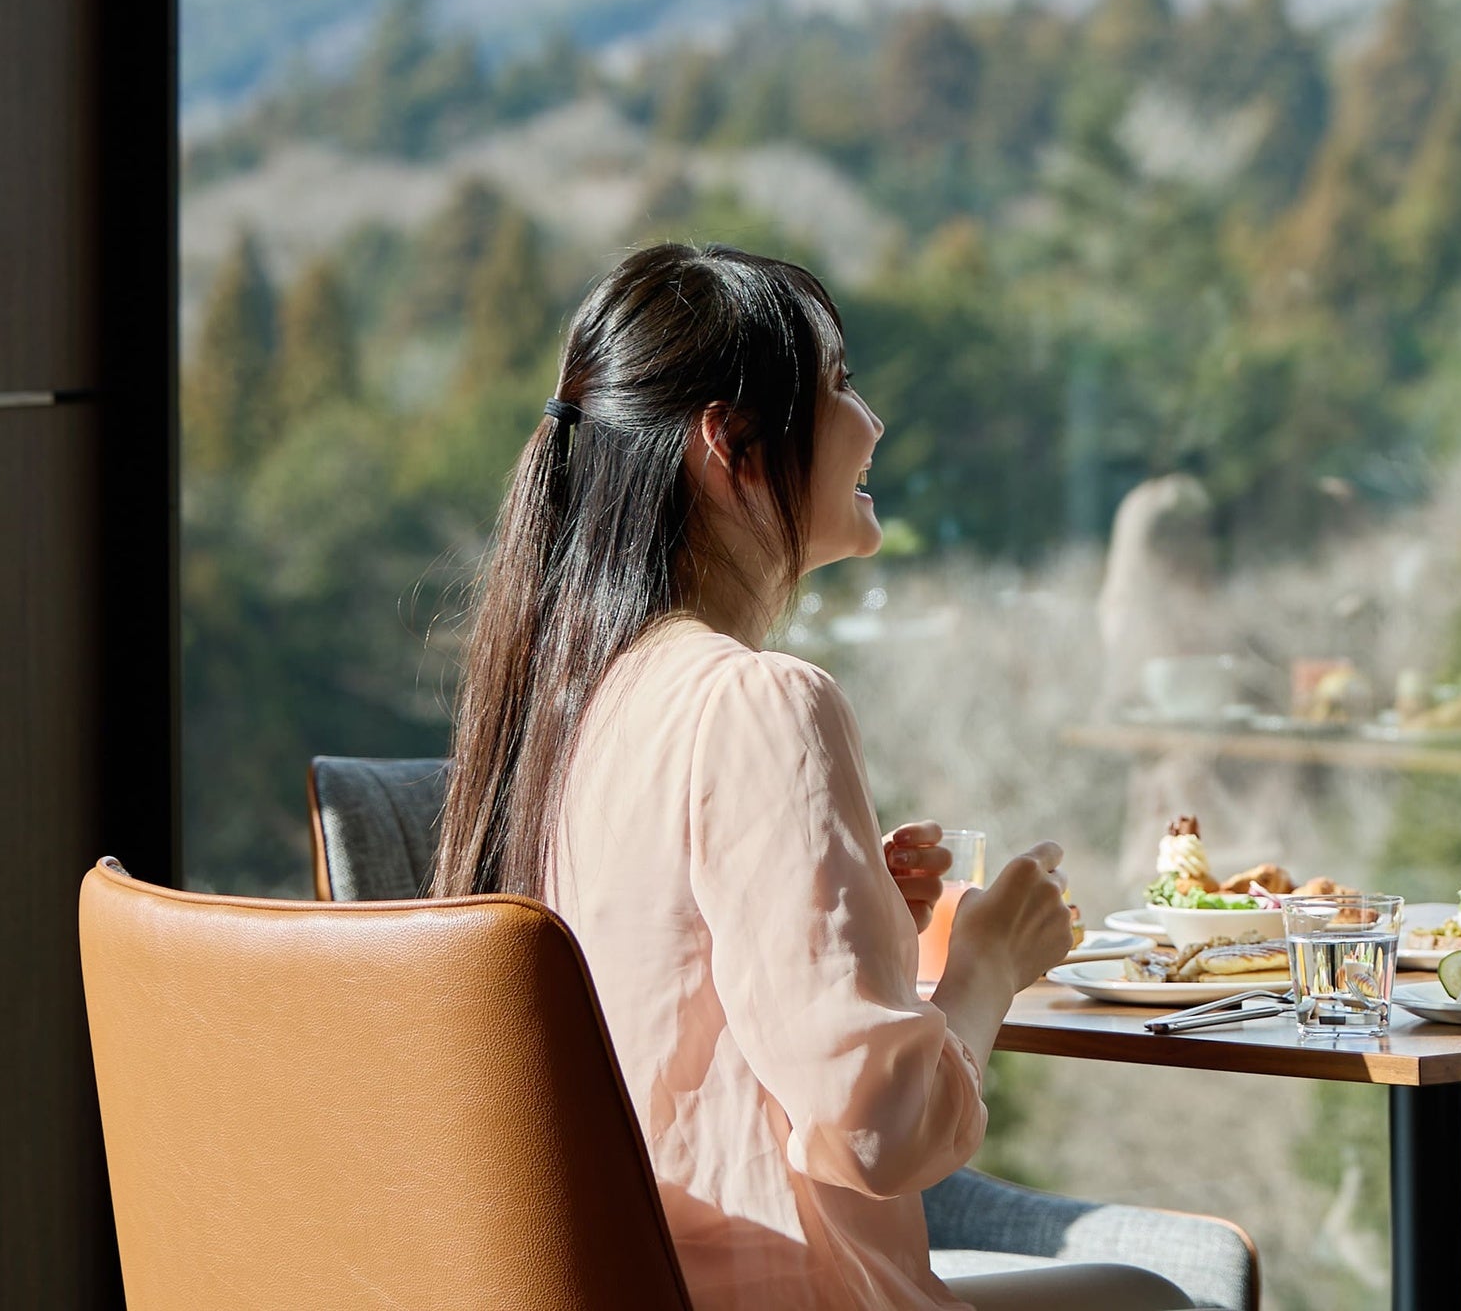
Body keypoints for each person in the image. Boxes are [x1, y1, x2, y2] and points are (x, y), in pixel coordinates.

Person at [436, 242, 1184, 1311]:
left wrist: (861, 912)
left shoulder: (564, 713)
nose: (870, 419)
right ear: (730, 442)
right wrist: (987, 964)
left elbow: (681, 1013)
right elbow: (877, 1130)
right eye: (837, 383)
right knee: (1147, 1297)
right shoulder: (758, 700)